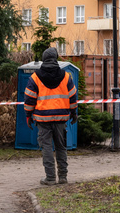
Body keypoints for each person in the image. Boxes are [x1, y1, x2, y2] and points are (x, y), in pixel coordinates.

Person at [24, 47, 78, 186]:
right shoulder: (66, 76)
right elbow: (73, 97)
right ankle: (63, 177)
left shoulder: (35, 77)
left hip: (43, 119)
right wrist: (73, 112)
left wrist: (28, 115)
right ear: (56, 58)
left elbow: (29, 98)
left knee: (46, 147)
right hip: (61, 118)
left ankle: (50, 178)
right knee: (61, 147)